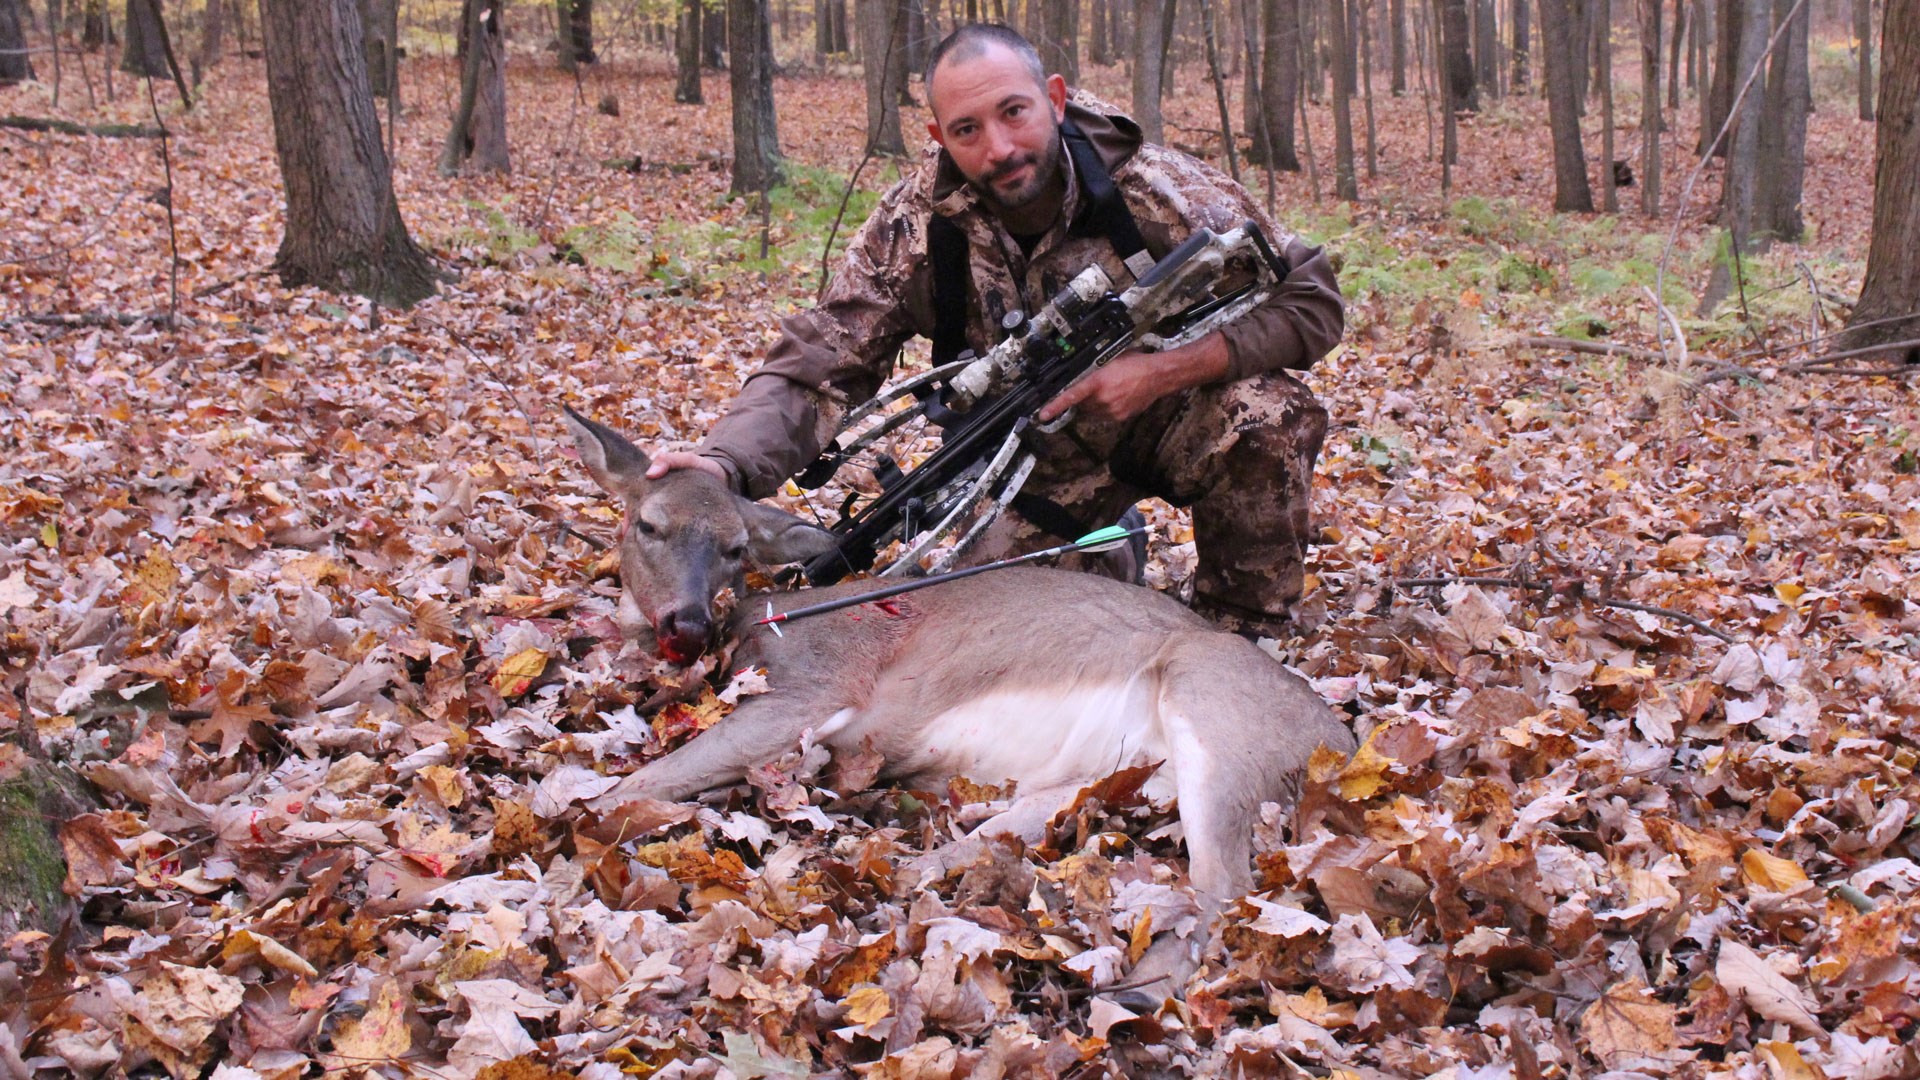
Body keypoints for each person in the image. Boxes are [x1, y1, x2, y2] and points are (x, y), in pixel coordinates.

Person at [646, 23, 1343, 639]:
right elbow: (824, 356)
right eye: (968, 130)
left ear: (1056, 98)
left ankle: (1241, 634)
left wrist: (1163, 372)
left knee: (1266, 413)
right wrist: (723, 463)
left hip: (1167, 418)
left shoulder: (1159, 190)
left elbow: (1312, 301)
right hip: (1023, 465)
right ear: (939, 137)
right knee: (960, 625)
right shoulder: (915, 222)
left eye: (1015, 112)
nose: (1001, 148)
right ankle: (1108, 547)